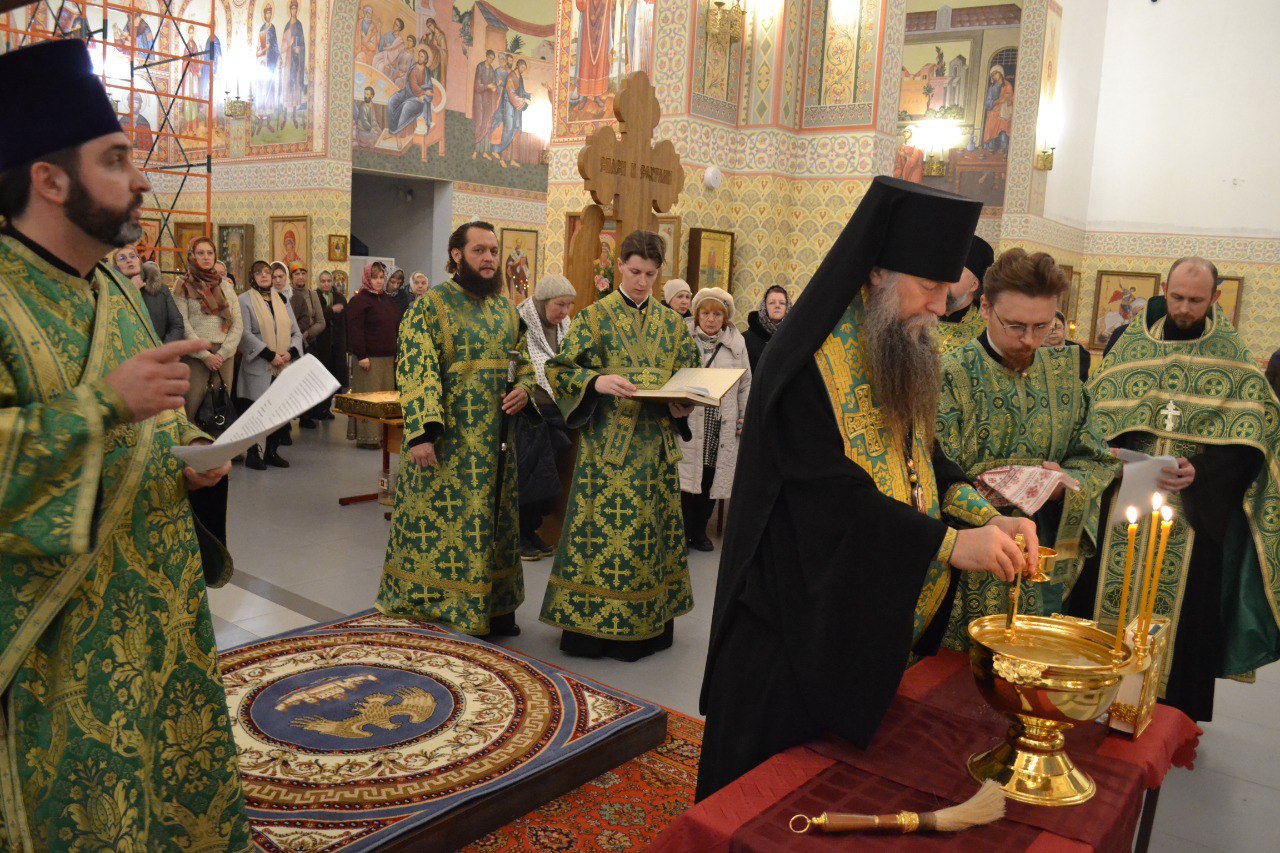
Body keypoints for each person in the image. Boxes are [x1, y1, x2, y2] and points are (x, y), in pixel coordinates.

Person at [696, 177, 1038, 801]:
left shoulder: (897, 344)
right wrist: (947, 546)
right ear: (879, 272)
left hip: (865, 616)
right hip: (792, 626)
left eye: (947, 289)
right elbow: (832, 499)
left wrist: (982, 516)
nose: (941, 306)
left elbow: (924, 458)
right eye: (930, 287)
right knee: (766, 809)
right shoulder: (807, 364)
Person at [0, 39, 247, 848]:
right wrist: (101, 405)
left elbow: (156, 416)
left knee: (166, 796)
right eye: (117, 159)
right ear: (49, 178)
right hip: (59, 640)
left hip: (158, 610)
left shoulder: (113, 286)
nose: (142, 178)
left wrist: (193, 454)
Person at [1080, 256, 1280, 722]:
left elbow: (1257, 441)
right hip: (1125, 505)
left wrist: (1204, 471)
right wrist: (1118, 452)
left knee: (1182, 617)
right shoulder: (1131, 348)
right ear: (1165, 289)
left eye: (1195, 300)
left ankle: (1171, 713)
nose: (1184, 308)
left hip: (1193, 515)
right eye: (1176, 297)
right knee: (1108, 595)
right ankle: (1094, 697)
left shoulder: (1234, 361)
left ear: (1215, 298)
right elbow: (1096, 416)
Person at [936, 249, 1120, 647]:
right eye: (1016, 325)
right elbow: (934, 470)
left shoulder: (1064, 372)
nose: (1029, 340)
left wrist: (1063, 484)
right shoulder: (948, 373)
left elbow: (1095, 456)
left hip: (1043, 557)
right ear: (985, 307)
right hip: (969, 563)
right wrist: (987, 510)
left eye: (1042, 326)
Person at [543, 230, 701, 661]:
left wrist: (682, 405)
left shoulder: (672, 323)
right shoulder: (593, 319)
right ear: (619, 267)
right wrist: (596, 381)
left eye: (650, 275)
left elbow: (690, 377)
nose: (641, 282)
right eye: (634, 272)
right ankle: (591, 632)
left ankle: (648, 627)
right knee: (602, 538)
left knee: (648, 538)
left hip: (655, 450)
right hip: (607, 452)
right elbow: (559, 370)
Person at [377, 222, 533, 636]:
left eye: (494, 251)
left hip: (496, 447)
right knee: (442, 532)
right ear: (457, 255)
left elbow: (527, 362)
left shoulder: (505, 309)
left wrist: (525, 389)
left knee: (493, 527)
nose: (489, 259)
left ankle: (495, 609)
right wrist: (421, 434)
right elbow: (416, 369)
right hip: (449, 447)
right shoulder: (430, 307)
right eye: (480, 250)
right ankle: (437, 606)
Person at [679, 287, 751, 552]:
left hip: (721, 419)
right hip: (691, 417)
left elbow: (745, 383)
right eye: (706, 313)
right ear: (697, 315)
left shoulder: (736, 343)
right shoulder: (683, 338)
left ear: (725, 317)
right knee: (688, 476)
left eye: (717, 314)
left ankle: (699, 531)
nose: (711, 319)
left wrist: (744, 416)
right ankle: (683, 532)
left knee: (710, 476)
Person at [515, 274, 576, 560]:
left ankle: (533, 530)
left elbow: (570, 359)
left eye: (568, 306)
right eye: (560, 305)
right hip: (529, 412)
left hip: (557, 413)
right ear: (542, 301)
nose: (564, 312)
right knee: (529, 476)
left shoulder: (564, 324)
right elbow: (524, 365)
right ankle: (520, 536)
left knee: (547, 477)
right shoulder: (521, 322)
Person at [237, 259, 303, 468]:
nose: (264, 276)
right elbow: (244, 333)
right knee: (255, 412)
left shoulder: (281, 299)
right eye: (259, 273)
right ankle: (253, 454)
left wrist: (289, 353)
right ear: (252, 277)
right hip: (259, 365)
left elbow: (296, 332)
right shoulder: (244, 300)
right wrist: (269, 354)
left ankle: (272, 451)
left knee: (278, 411)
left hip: (282, 365)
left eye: (268, 272)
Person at [172, 236, 243, 422]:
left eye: (210, 253)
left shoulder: (225, 286)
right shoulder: (182, 285)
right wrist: (205, 356)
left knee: (219, 408)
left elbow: (237, 323)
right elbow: (182, 323)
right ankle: (191, 448)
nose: (206, 257)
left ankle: (217, 450)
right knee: (192, 408)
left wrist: (223, 353)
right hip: (196, 356)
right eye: (200, 253)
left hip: (224, 356)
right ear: (192, 256)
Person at [345, 261, 400, 448]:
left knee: (384, 399)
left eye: (381, 277)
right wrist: (361, 356)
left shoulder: (386, 299)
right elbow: (355, 330)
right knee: (369, 398)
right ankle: (367, 438)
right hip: (369, 359)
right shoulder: (359, 301)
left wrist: (397, 352)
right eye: (375, 277)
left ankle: (382, 436)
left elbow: (394, 327)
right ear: (368, 278)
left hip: (387, 359)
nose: (379, 281)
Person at [114, 244, 183, 342]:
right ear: (116, 266)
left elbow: (177, 325)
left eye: (132, 256)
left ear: (139, 261)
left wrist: (163, 350)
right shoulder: (112, 292)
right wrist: (131, 290)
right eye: (122, 258)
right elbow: (114, 324)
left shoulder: (160, 289)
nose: (129, 260)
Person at [936, 234, 992, 353]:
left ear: (974, 285)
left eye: (956, 271)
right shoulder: (919, 317)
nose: (945, 277)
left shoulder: (986, 332)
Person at [288, 262, 325, 427]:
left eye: (303, 273)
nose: (300, 277)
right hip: (288, 344)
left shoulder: (312, 295)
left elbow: (320, 321)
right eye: (297, 274)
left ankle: (306, 415)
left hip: (309, 343)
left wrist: (307, 334)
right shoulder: (287, 294)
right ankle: (286, 420)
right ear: (291, 277)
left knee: (307, 382)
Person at [312, 268, 346, 414]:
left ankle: (326, 409)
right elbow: (315, 317)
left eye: (328, 281)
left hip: (336, 345)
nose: (326, 284)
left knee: (334, 378)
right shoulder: (314, 296)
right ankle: (317, 410)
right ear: (318, 282)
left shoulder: (339, 297)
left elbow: (346, 321)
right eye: (323, 281)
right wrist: (331, 310)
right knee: (319, 379)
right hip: (320, 344)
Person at [742, 284, 790, 370]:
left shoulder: (793, 337)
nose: (777, 306)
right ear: (764, 307)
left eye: (782, 303)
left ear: (788, 307)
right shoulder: (745, 339)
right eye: (772, 303)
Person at [279, 0, 306, 129]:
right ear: (290, 10)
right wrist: (289, 45)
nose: (293, 11)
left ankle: (294, 118)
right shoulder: (286, 26)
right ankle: (284, 118)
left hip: (296, 64)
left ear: (297, 10)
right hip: (288, 63)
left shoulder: (299, 25)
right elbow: (283, 47)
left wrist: (298, 49)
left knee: (294, 89)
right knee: (286, 89)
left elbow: (302, 44)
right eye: (292, 8)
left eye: (295, 8)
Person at [1046, 310, 1091, 381]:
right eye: (1048, 329)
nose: (1053, 332)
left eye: (1058, 327)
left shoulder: (1078, 351)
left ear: (1064, 328)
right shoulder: (1032, 351)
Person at [472, 49, 500, 158]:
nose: (491, 60)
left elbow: (492, 83)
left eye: (492, 59)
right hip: (479, 99)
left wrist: (494, 88)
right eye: (489, 58)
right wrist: (487, 86)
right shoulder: (480, 67)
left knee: (487, 123)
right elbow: (477, 85)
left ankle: (485, 152)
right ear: (486, 56)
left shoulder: (492, 70)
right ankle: (476, 150)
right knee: (479, 123)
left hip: (488, 100)